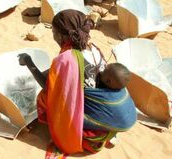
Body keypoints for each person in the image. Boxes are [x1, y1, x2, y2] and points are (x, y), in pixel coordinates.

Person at [18, 9, 136, 155]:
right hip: (105, 110)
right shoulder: (93, 49)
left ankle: (77, 131)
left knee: (43, 97)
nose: (53, 36)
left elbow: (50, 89)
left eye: (54, 32)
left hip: (87, 118)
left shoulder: (67, 59)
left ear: (61, 35)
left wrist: (29, 63)